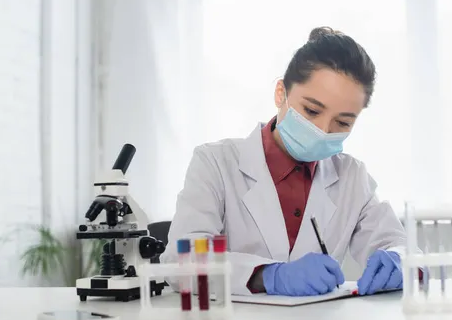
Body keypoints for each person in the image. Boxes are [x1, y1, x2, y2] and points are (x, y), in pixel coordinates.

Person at [161, 26, 412, 297]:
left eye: (343, 122)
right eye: (312, 110)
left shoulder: (352, 176)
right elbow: (181, 262)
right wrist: (268, 276)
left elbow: (398, 245)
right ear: (280, 93)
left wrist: (399, 260)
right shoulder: (215, 163)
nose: (323, 130)